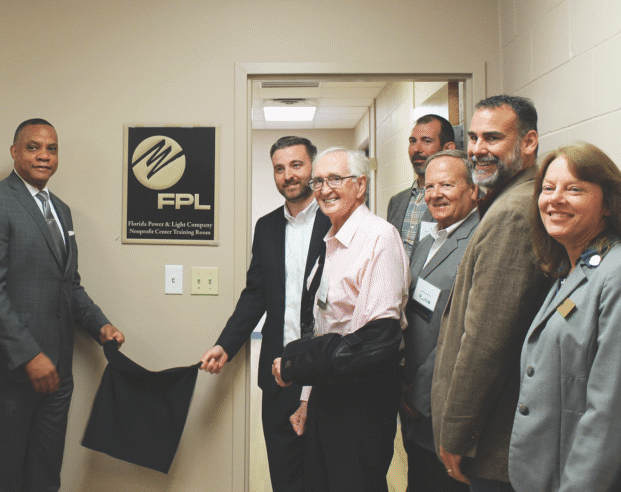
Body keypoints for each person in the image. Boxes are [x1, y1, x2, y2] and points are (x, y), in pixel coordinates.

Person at [0, 118, 125, 492]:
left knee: (45, 473)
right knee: (4, 475)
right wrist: (28, 355)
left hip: (58, 370)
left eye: (51, 148)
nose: (44, 155)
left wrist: (100, 325)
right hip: (12, 371)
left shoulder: (61, 210)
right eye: (34, 147)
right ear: (15, 152)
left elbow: (68, 285)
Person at [431, 95, 551, 492]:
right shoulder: (509, 199)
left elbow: (487, 340)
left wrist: (456, 434)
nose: (479, 150)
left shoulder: (514, 213)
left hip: (492, 441)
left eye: (494, 138)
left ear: (529, 142)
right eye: (475, 138)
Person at [273, 147, 409, 491]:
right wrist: (307, 399)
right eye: (318, 181)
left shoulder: (378, 238)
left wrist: (296, 364)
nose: (324, 188)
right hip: (327, 391)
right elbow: (325, 325)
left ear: (360, 186)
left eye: (335, 179)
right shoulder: (331, 240)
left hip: (362, 399)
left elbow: (378, 338)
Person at [199, 136, 331, 492]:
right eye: (279, 168)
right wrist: (225, 345)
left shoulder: (338, 221)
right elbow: (255, 294)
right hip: (278, 372)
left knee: (325, 473)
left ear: (313, 170)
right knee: (285, 475)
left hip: (326, 375)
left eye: (296, 165)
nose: (288, 175)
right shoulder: (267, 226)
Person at [509, 142, 621, 492]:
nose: (555, 199)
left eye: (574, 189)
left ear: (607, 203)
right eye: (548, 188)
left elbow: (608, 412)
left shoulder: (614, 275)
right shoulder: (571, 268)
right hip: (544, 472)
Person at [401, 150, 478, 492]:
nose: (435, 194)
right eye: (429, 186)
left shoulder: (477, 242)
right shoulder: (428, 236)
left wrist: (419, 392)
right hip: (413, 395)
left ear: (474, 190)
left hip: (441, 401)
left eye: (447, 184)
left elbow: (461, 333)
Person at [388, 114, 457, 256]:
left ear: (448, 149)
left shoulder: (461, 199)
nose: (416, 149)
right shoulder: (396, 202)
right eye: (412, 141)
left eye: (426, 141)